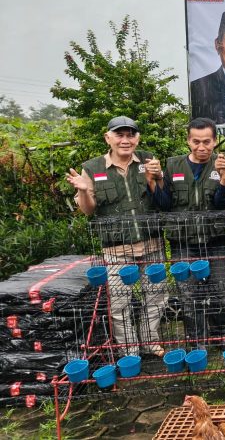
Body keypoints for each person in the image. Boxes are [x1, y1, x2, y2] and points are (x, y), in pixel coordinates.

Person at [65, 116, 167, 357]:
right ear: (108, 138)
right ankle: (130, 350)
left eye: (130, 135)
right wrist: (83, 191)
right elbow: (88, 210)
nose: (125, 140)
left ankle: (150, 342)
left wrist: (159, 176)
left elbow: (162, 197)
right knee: (120, 302)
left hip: (151, 244)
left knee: (156, 296)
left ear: (137, 138)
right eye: (119, 135)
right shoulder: (92, 168)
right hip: (116, 250)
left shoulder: (147, 159)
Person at [163, 118, 225, 349]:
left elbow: (222, 203)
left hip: (216, 239)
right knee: (187, 294)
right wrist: (153, 182)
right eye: (196, 141)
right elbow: (164, 203)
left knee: (221, 291)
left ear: (214, 141)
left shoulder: (222, 164)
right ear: (188, 140)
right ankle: (196, 341)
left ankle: (220, 334)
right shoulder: (172, 166)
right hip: (183, 241)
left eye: (207, 141)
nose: (201, 147)